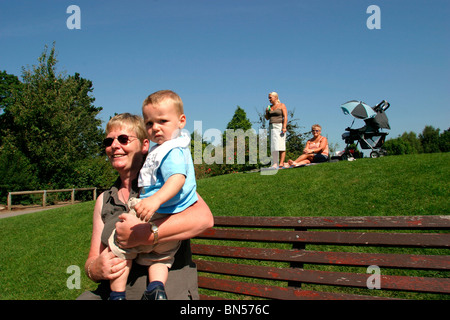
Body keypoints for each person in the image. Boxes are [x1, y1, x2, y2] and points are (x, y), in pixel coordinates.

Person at [78, 111, 213, 300]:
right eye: (108, 142)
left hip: (165, 292)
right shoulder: (105, 199)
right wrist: (95, 269)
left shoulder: (162, 183)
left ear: (144, 145)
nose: (114, 146)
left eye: (123, 139)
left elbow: (204, 219)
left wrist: (146, 234)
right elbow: (92, 259)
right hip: (113, 294)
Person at [106, 90, 197, 300]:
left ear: (181, 121)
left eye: (162, 121)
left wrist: (154, 200)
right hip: (169, 218)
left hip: (156, 214)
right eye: (149, 123)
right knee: (161, 258)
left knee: (120, 247)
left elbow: (177, 179)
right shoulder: (170, 147)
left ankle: (117, 295)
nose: (155, 128)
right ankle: (156, 288)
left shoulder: (172, 150)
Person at [265, 92, 288, 168]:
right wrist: (267, 112)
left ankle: (281, 163)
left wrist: (284, 127)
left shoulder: (282, 105)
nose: (269, 99)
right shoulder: (269, 107)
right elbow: (267, 118)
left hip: (279, 126)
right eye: (268, 98)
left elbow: (285, 116)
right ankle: (275, 163)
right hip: (272, 126)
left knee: (281, 145)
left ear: (275, 97)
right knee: (274, 145)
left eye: (270, 97)